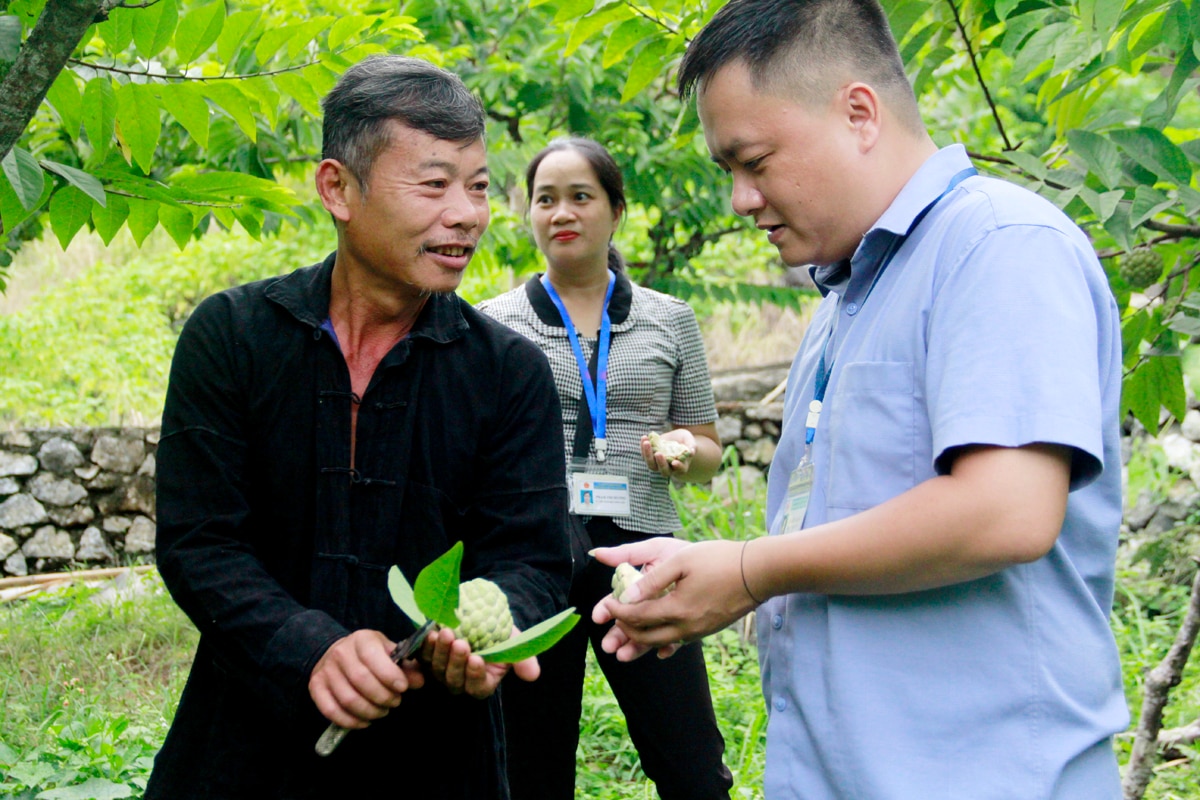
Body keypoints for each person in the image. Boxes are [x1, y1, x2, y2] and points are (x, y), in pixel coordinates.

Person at [591, 1, 1128, 798]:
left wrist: (748, 570)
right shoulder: (845, 300)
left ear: (858, 112)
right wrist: (715, 571)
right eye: (727, 172)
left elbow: (1007, 510)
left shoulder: (998, 246)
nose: (740, 199)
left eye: (756, 160)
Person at [145, 56, 573, 800]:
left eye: (477, 187)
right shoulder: (233, 337)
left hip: (437, 763)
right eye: (434, 184)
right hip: (242, 749)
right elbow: (199, 541)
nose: (468, 213)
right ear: (337, 187)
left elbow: (532, 560)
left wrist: (492, 629)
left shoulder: (509, 371)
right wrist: (306, 648)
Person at [478, 137, 733, 800]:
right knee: (532, 761)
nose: (561, 213)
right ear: (529, 215)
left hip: (643, 549)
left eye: (580, 197)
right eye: (545, 199)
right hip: (534, 551)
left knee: (690, 759)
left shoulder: (669, 319)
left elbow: (709, 450)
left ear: (616, 210)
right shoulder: (492, 325)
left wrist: (682, 450)